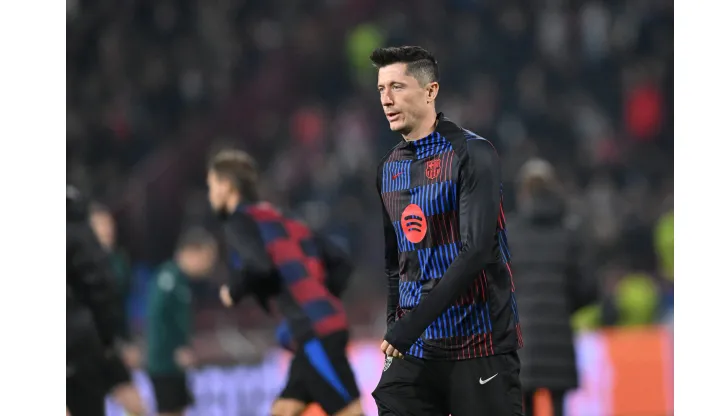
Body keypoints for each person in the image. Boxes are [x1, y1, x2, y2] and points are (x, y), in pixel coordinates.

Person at [368, 46, 524, 416]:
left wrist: (409, 325)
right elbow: (395, 262)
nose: (386, 99)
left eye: (397, 87)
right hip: (416, 351)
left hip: (478, 345)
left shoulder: (473, 153)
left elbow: (475, 252)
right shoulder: (388, 169)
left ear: (430, 91)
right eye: (380, 89)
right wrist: (397, 324)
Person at [207, 149, 363, 416]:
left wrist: (233, 292)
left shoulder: (238, 222)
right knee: (283, 410)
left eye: (211, 186)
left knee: (349, 412)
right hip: (318, 328)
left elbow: (260, 267)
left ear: (226, 187)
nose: (210, 194)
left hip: (315, 333)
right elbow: (341, 262)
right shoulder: (281, 217)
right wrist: (320, 296)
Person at [505, 159, 596, 416]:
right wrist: (563, 308)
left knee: (526, 404)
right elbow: (588, 288)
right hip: (559, 338)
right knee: (559, 407)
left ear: (523, 192)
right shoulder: (569, 232)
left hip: (523, 339)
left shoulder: (510, 233)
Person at [66, 185, 145, 416]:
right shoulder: (81, 253)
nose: (108, 230)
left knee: (136, 406)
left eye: (110, 224)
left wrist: (122, 340)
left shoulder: (118, 261)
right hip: (85, 341)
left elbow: (116, 305)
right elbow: (100, 297)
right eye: (100, 225)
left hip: (100, 342)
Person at [146, 226, 218, 416]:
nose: (209, 264)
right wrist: (175, 350)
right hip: (164, 364)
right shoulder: (168, 278)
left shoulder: (182, 280)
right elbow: (158, 318)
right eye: (206, 257)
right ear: (192, 252)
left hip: (175, 364)